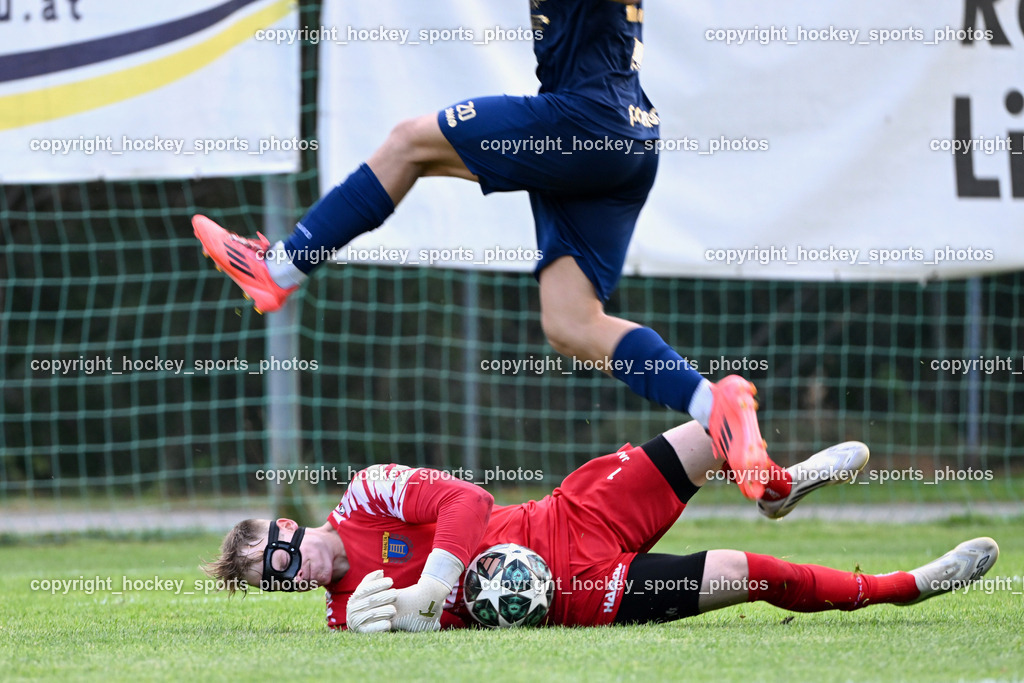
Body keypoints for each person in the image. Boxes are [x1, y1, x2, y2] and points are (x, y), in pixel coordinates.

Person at [192, 0, 789, 501]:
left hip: (585, 123)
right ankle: (714, 406)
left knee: (408, 143)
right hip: (627, 135)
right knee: (572, 323)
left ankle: (278, 270)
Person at [202, 422, 998, 631]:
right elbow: (397, 637)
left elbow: (471, 504)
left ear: (286, 522)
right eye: (277, 576)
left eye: (280, 549)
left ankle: (777, 485)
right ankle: (910, 587)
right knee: (753, 573)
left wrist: (431, 586)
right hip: (578, 592)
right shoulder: (347, 615)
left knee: (716, 416)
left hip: (569, 512)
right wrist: (399, 628)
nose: (290, 567)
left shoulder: (368, 493)